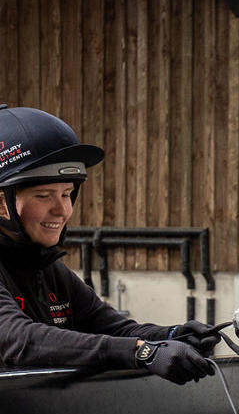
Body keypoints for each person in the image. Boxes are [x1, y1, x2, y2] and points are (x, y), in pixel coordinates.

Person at [0, 104, 219, 383]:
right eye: (44, 196)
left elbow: (114, 328)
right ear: (2, 204)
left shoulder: (46, 268)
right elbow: (20, 341)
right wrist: (143, 352)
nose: (62, 211)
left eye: (66, 194)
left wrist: (173, 335)